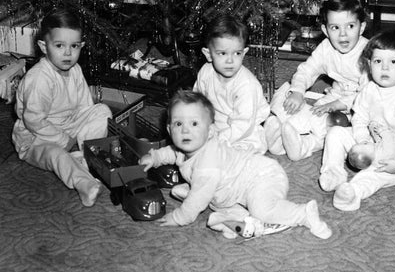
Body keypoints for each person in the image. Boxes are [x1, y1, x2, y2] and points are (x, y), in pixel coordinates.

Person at [138, 90, 332, 240]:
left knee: (260, 210)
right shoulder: (189, 147)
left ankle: (302, 214)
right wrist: (154, 157)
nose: (186, 130)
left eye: (194, 124)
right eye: (179, 124)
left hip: (263, 177)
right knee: (215, 213)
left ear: (211, 130)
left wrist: (179, 217)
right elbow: (173, 152)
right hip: (236, 189)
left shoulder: (207, 165)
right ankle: (240, 218)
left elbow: (195, 202)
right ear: (169, 129)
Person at [319, 29, 395, 211]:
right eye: (378, 61)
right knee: (336, 133)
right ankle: (333, 173)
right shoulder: (369, 89)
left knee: (372, 175)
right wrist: (362, 141)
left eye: (393, 62)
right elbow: (360, 117)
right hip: (371, 141)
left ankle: (352, 193)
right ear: (369, 64)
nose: (384, 68)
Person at [12, 9, 112, 207]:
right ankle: (84, 184)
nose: (68, 53)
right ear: (43, 46)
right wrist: (65, 141)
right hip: (35, 138)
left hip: (69, 126)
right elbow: (33, 121)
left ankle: (87, 155)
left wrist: (83, 135)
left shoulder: (75, 70)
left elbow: (85, 107)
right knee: (57, 156)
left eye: (74, 46)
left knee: (102, 111)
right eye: (59, 45)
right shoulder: (40, 78)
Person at [265, 0, 369, 161]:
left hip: (361, 104)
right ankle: (281, 136)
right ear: (325, 30)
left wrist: (336, 105)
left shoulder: (369, 53)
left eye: (350, 26)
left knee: (334, 129)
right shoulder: (326, 48)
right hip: (335, 95)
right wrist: (297, 92)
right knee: (307, 109)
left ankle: (304, 147)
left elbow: (369, 93)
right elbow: (307, 70)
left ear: (361, 27)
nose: (343, 35)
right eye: (335, 27)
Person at [193, 13, 270, 154]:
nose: (230, 61)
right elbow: (197, 102)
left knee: (235, 158)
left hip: (244, 132)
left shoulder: (246, 85)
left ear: (244, 53)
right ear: (208, 54)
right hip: (215, 125)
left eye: (237, 53)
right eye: (222, 53)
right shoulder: (205, 72)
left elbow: (243, 125)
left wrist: (218, 140)